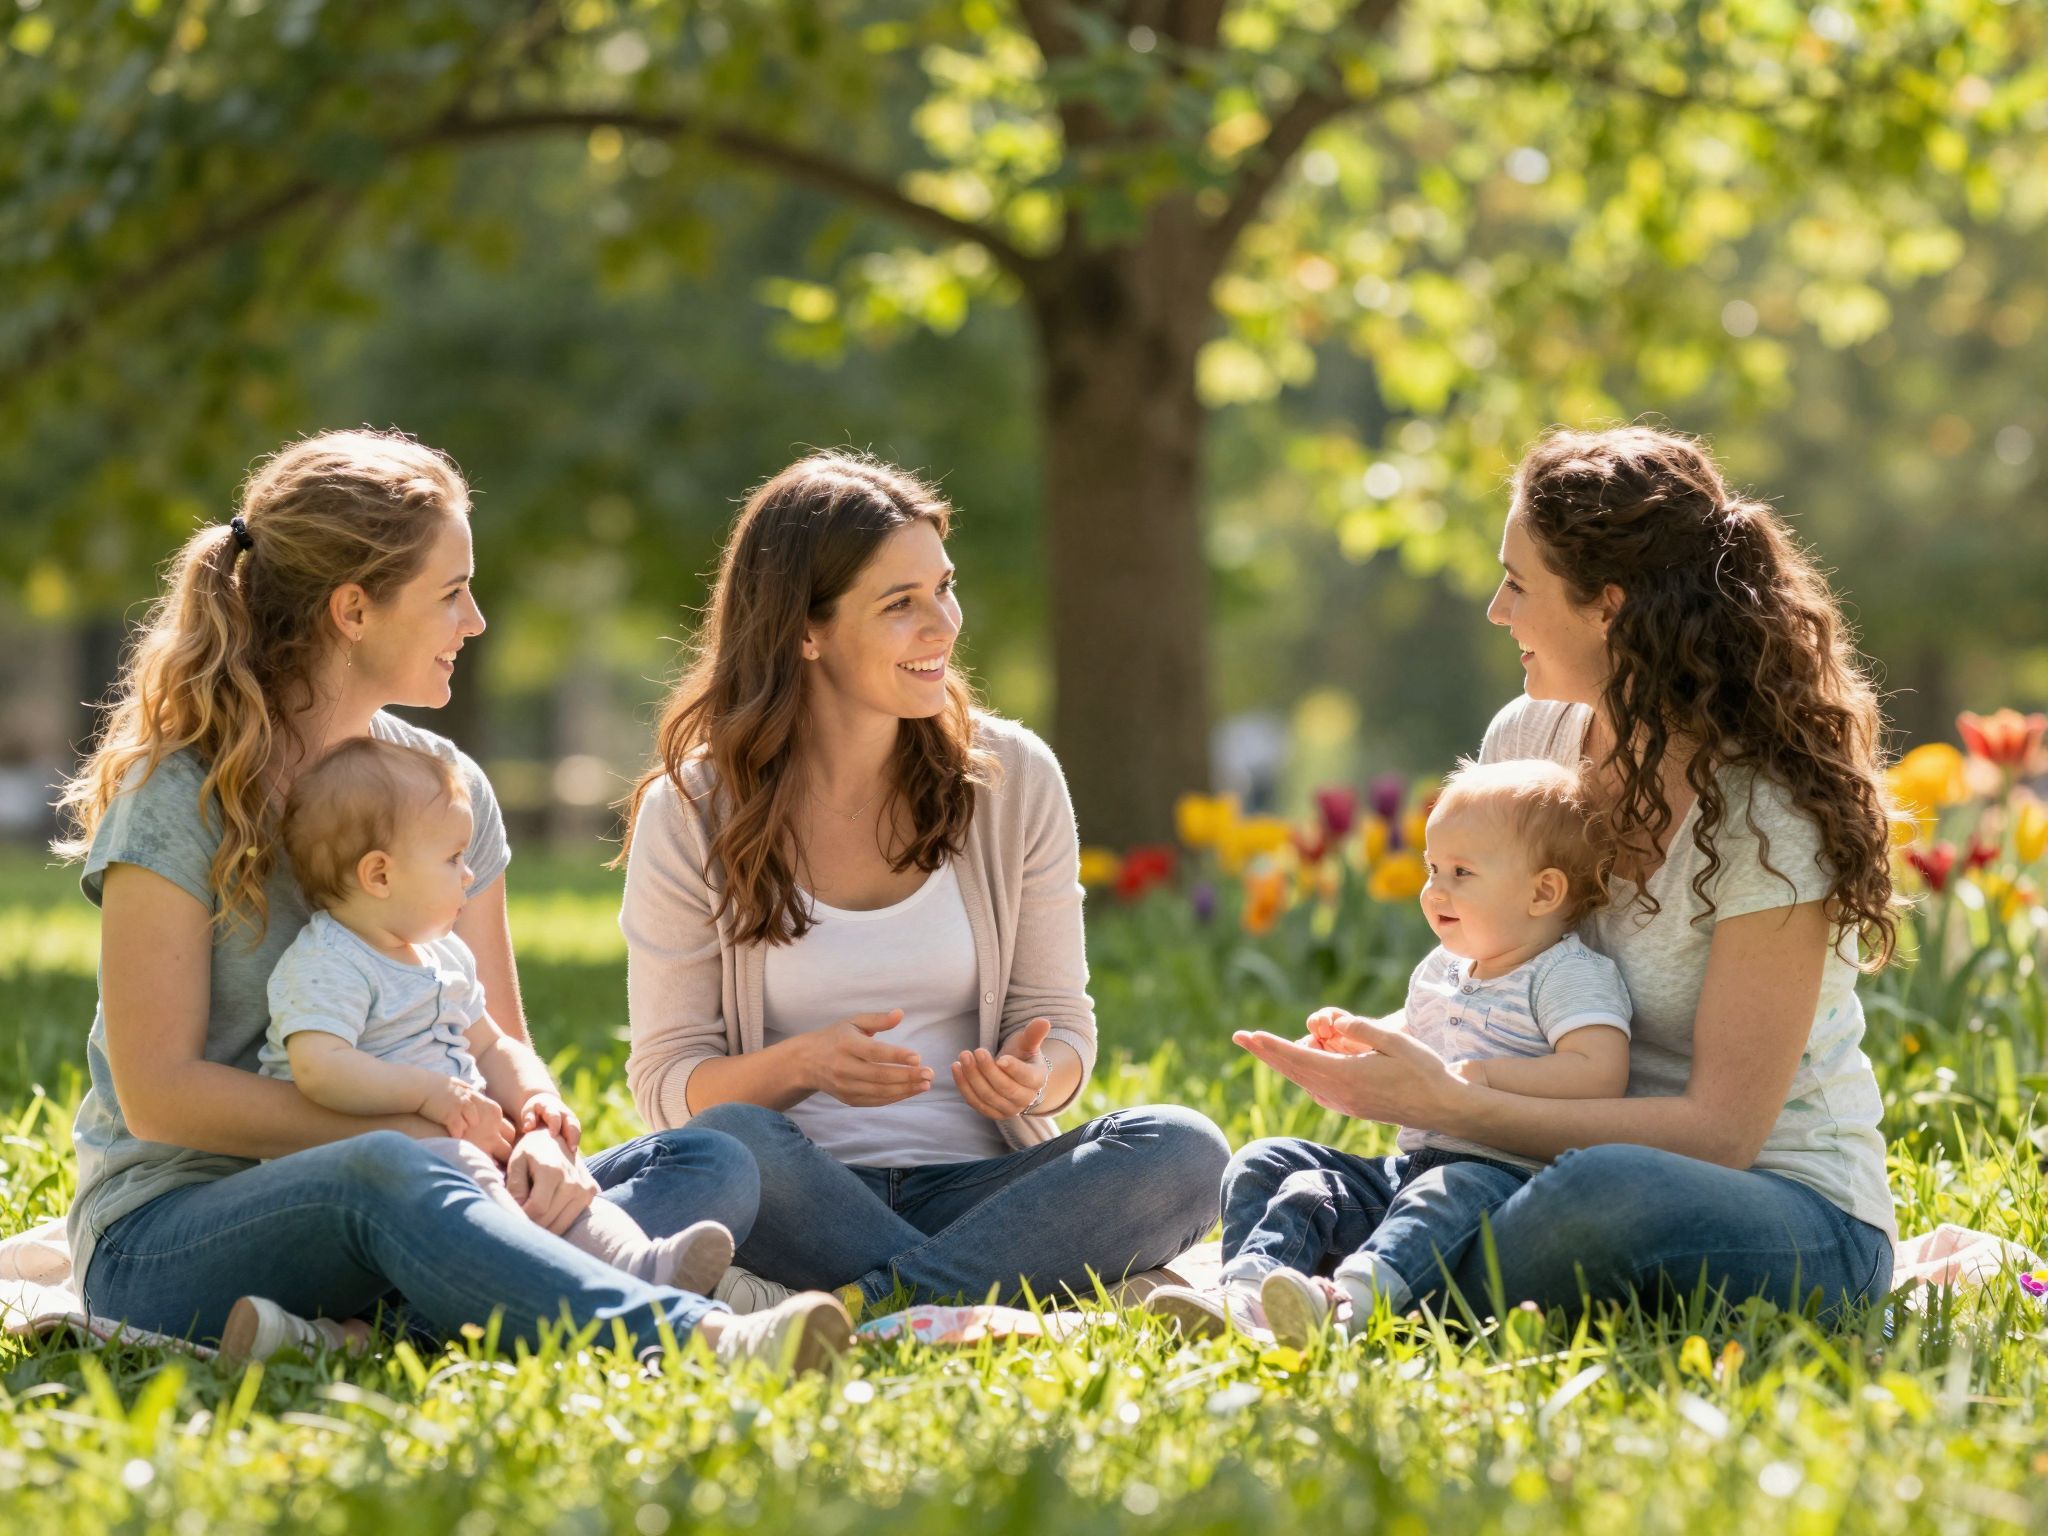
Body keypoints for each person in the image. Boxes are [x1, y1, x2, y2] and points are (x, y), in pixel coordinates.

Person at [56, 429, 845, 1371]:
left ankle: (341, 1338)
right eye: (450, 594)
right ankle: (701, 1339)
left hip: (439, 1172)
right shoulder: (176, 802)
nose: (475, 622)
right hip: (174, 1235)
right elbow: (159, 1098)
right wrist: (402, 1130)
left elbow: (496, 1037)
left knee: (712, 1162)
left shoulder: (445, 788)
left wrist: (542, 1126)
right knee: (386, 1174)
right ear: (353, 609)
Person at [1231, 425, 1899, 1322]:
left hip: (1778, 1211)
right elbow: (1505, 989)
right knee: (1274, 1167)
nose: (1496, 611)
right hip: (1523, 1170)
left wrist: (1453, 1101)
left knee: (1601, 1195)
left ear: (1610, 606)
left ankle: (1362, 1295)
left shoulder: (1765, 811)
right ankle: (1290, 1300)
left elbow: (1722, 1134)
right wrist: (1387, 1053)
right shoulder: (1528, 743)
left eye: (1517, 583)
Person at [615, 451, 1229, 1316]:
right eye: (901, 605)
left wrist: (1036, 1080)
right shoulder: (695, 809)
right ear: (805, 629)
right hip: (796, 1197)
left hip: (989, 1187)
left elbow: (1063, 1029)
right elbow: (669, 1084)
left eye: (944, 587)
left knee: (1183, 1148)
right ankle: (979, 1295)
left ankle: (867, 1309)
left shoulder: (1013, 778)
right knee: (728, 1144)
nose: (943, 624)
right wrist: (804, 1064)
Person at [247, 735, 737, 1352]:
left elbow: (492, 1044)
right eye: (452, 858)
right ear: (379, 874)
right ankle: (552, 1291)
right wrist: (431, 1097)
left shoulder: (443, 955)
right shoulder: (327, 962)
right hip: (371, 1188)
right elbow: (319, 1069)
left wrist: (535, 1103)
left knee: (576, 1186)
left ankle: (643, 1265)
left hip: (469, 1154)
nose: (469, 872)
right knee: (478, 1176)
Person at [1148, 758, 1631, 1342]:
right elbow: (1418, 1029)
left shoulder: (1566, 974)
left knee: (1441, 1191)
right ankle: (1247, 1295)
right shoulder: (1443, 969)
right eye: (1431, 868)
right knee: (1272, 1163)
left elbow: (1598, 1072)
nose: (1434, 890)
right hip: (1407, 1169)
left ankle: (1348, 1307)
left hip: (1499, 1178)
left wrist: (1475, 1078)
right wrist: (1359, 1036)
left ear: (1543, 891)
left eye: (1460, 872)